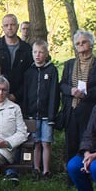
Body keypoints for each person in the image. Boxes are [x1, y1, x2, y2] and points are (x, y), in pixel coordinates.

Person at [59, 30, 96, 168]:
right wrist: (71, 90)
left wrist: (85, 94)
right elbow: (62, 84)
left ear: (91, 43)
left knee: (87, 142)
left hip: (89, 110)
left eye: (84, 42)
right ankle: (70, 176)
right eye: (78, 43)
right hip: (71, 109)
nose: (81, 45)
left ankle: (86, 170)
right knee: (70, 143)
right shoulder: (69, 64)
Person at [21, 40, 60, 177]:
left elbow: (54, 94)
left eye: (41, 52)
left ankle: (46, 170)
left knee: (46, 142)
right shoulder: (29, 72)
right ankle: (36, 168)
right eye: (35, 52)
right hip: (32, 114)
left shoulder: (51, 70)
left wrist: (51, 115)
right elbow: (25, 94)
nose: (38, 55)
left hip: (46, 115)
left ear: (46, 53)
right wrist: (25, 114)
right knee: (35, 142)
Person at [0, 13, 33, 97]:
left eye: (12, 25)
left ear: (18, 27)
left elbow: (30, 76)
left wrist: (16, 95)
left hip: (21, 98)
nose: (9, 28)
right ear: (2, 28)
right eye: (6, 25)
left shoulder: (27, 49)